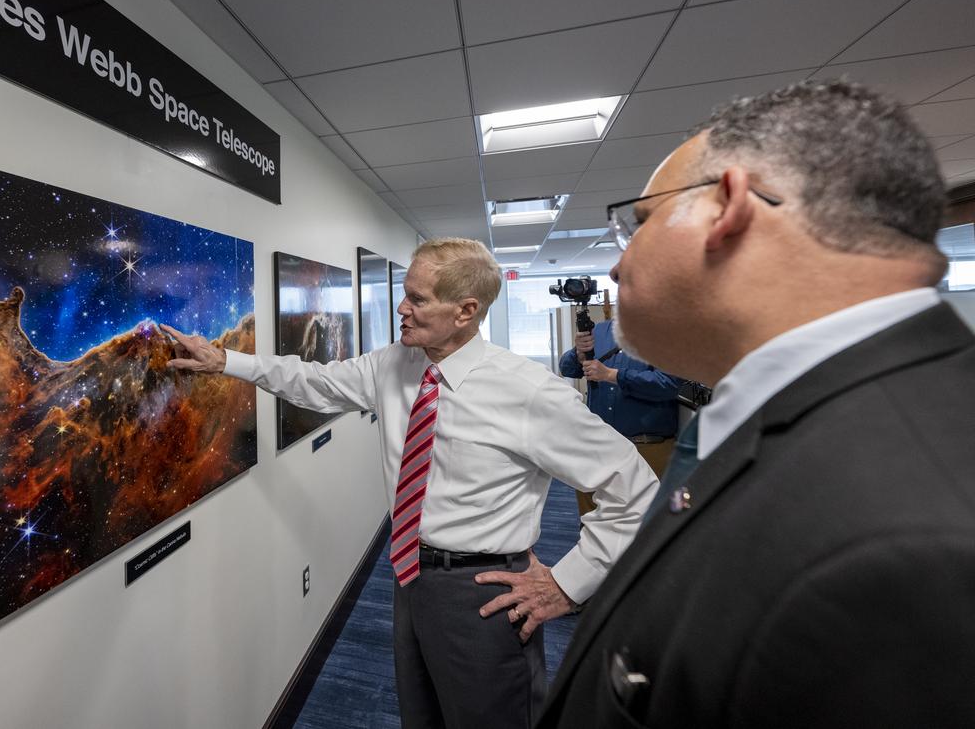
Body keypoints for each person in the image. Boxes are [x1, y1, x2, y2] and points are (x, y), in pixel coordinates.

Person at [541, 79, 975, 728]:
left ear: (731, 208)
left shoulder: (914, 546)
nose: (614, 267)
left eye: (639, 223)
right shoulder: (815, 415)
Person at [162, 238, 657, 728]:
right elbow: (314, 381)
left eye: (417, 299)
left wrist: (567, 585)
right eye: (405, 293)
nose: (401, 308)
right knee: (422, 715)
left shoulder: (528, 392)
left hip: (484, 592)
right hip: (407, 575)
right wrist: (225, 361)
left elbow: (635, 491)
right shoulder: (393, 365)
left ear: (465, 311)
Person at [558, 318, 682, 516]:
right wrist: (577, 353)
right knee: (593, 516)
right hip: (600, 444)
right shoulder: (599, 330)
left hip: (647, 447)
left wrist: (612, 375)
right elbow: (567, 369)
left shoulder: (665, 330)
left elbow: (668, 384)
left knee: (649, 520)